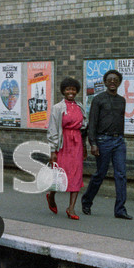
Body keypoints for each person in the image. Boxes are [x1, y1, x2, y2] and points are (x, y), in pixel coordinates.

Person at [82, 69, 132, 219]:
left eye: (115, 80)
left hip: (118, 142)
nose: (112, 82)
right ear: (105, 82)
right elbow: (92, 122)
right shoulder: (98, 99)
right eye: (109, 79)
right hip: (102, 141)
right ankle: (87, 201)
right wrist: (93, 143)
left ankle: (120, 210)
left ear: (119, 83)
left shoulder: (122, 100)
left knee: (121, 175)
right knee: (100, 174)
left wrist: (120, 138)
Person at [46, 77, 87, 219]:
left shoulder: (80, 106)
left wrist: (85, 146)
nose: (71, 92)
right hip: (63, 144)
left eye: (73, 89)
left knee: (76, 174)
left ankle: (71, 208)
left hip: (77, 143)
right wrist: (53, 150)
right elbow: (52, 129)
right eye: (68, 89)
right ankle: (51, 196)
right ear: (63, 91)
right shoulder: (58, 108)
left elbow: (84, 127)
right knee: (59, 175)